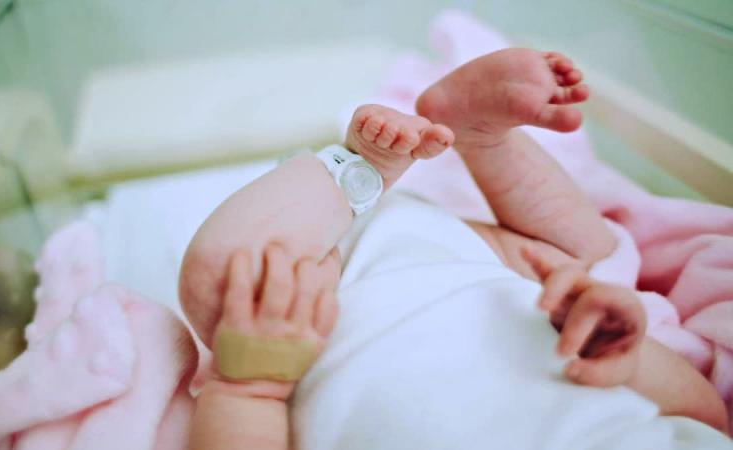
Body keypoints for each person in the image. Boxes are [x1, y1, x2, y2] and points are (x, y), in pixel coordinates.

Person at [179, 48, 730, 449]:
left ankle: (357, 173)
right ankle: (480, 136)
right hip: (527, 297)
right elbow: (705, 415)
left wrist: (248, 387)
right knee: (591, 255)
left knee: (225, 279)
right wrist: (626, 355)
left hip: (308, 314)